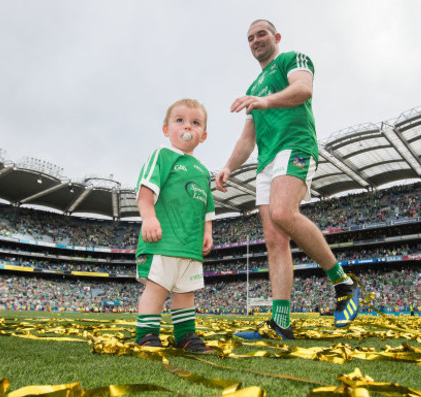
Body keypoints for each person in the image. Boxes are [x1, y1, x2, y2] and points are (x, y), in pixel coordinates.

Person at [215, 19, 362, 340]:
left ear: (276, 37)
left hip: (295, 145)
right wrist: (228, 166)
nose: (256, 41)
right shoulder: (253, 88)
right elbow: (247, 138)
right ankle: (280, 323)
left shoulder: (291, 59)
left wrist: (267, 101)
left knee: (283, 212)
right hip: (266, 161)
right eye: (250, 37)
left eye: (261, 34)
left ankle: (343, 282)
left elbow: (303, 89)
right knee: (274, 240)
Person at [134, 98, 215, 353]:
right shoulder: (163, 155)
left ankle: (185, 336)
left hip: (189, 247)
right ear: (166, 129)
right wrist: (149, 217)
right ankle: (146, 334)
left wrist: (207, 232)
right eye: (180, 120)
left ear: (203, 135)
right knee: (156, 290)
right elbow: (145, 190)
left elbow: (207, 207)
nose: (187, 127)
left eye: (195, 122)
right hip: (163, 242)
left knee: (186, 294)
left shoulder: (203, 171)